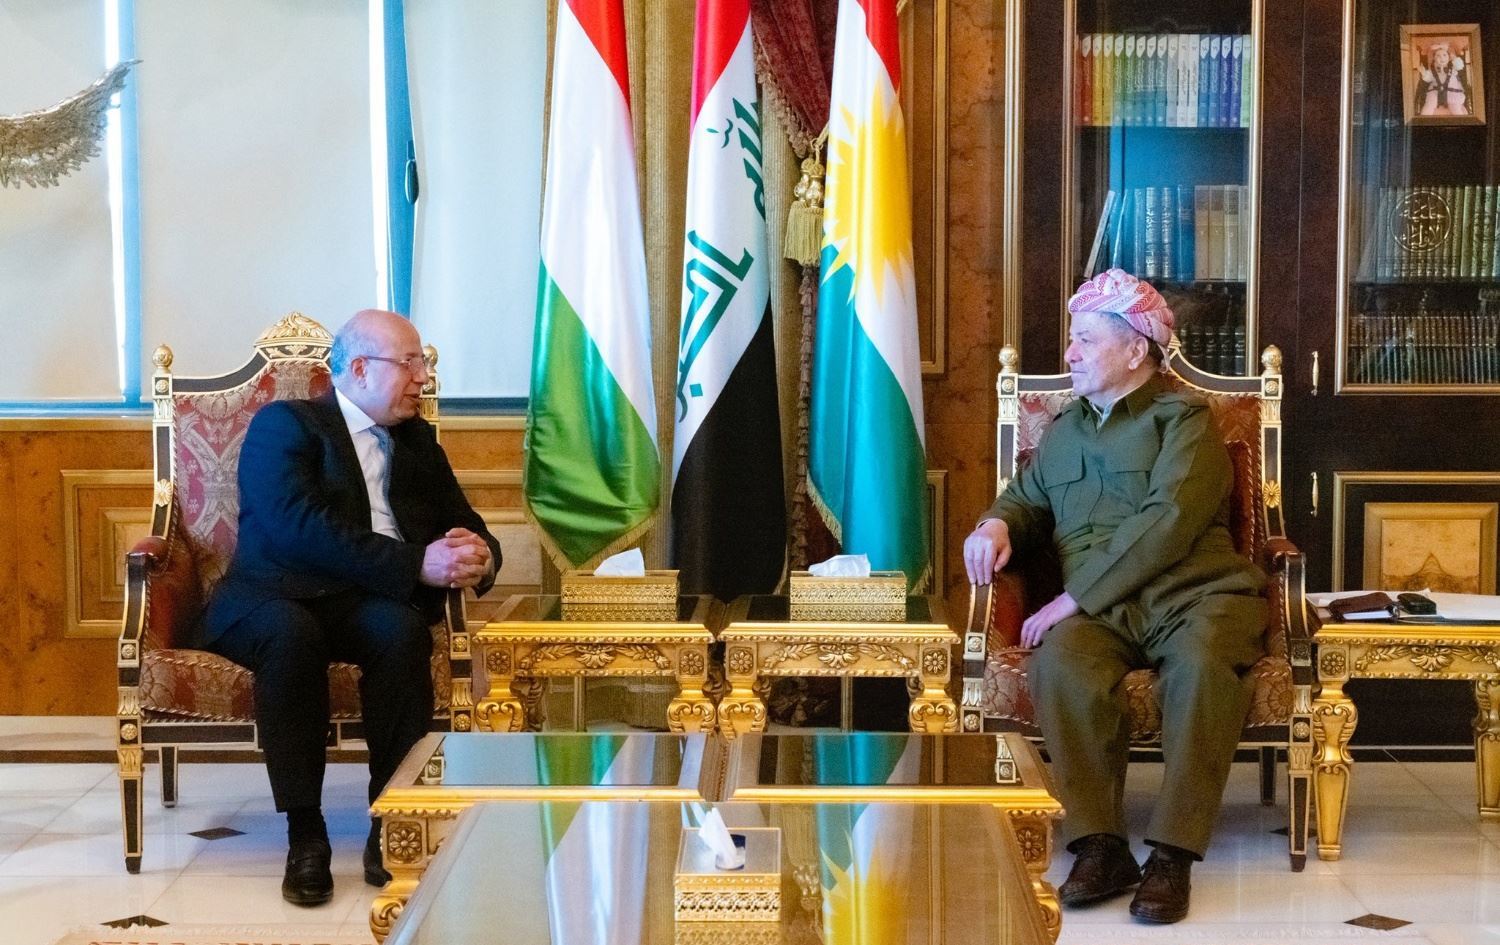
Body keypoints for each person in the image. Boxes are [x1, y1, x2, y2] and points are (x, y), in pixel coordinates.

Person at [963, 270, 1265, 924]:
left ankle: (1172, 856)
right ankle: (1100, 846)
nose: (1069, 353)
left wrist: (1072, 598)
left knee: (1202, 667)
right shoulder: (1064, 431)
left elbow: (1167, 521)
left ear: (1134, 351)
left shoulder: (1184, 420)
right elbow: (1026, 501)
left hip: (1195, 595)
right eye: (1072, 339)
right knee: (1060, 662)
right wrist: (995, 524)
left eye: (1085, 340)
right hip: (1104, 612)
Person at [204, 309, 501, 906]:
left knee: (401, 631)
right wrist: (414, 564)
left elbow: (463, 520)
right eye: (409, 362)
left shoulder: (417, 440)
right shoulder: (286, 425)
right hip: (274, 594)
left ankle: (390, 819)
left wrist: (480, 556)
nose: (423, 377)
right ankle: (305, 833)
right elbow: (297, 528)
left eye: (421, 363)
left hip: (362, 599)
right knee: (291, 636)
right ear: (360, 369)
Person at [1414, 41, 1472, 117]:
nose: (1441, 58)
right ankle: (1423, 120)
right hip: (1435, 93)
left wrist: (1454, 58)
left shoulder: (1453, 69)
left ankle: (1463, 121)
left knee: (1455, 108)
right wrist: (1424, 73)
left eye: (1444, 55)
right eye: (1438, 56)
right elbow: (1428, 78)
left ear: (1449, 58)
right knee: (1428, 107)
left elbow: (1459, 66)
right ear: (1434, 58)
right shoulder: (1432, 71)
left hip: (1452, 93)